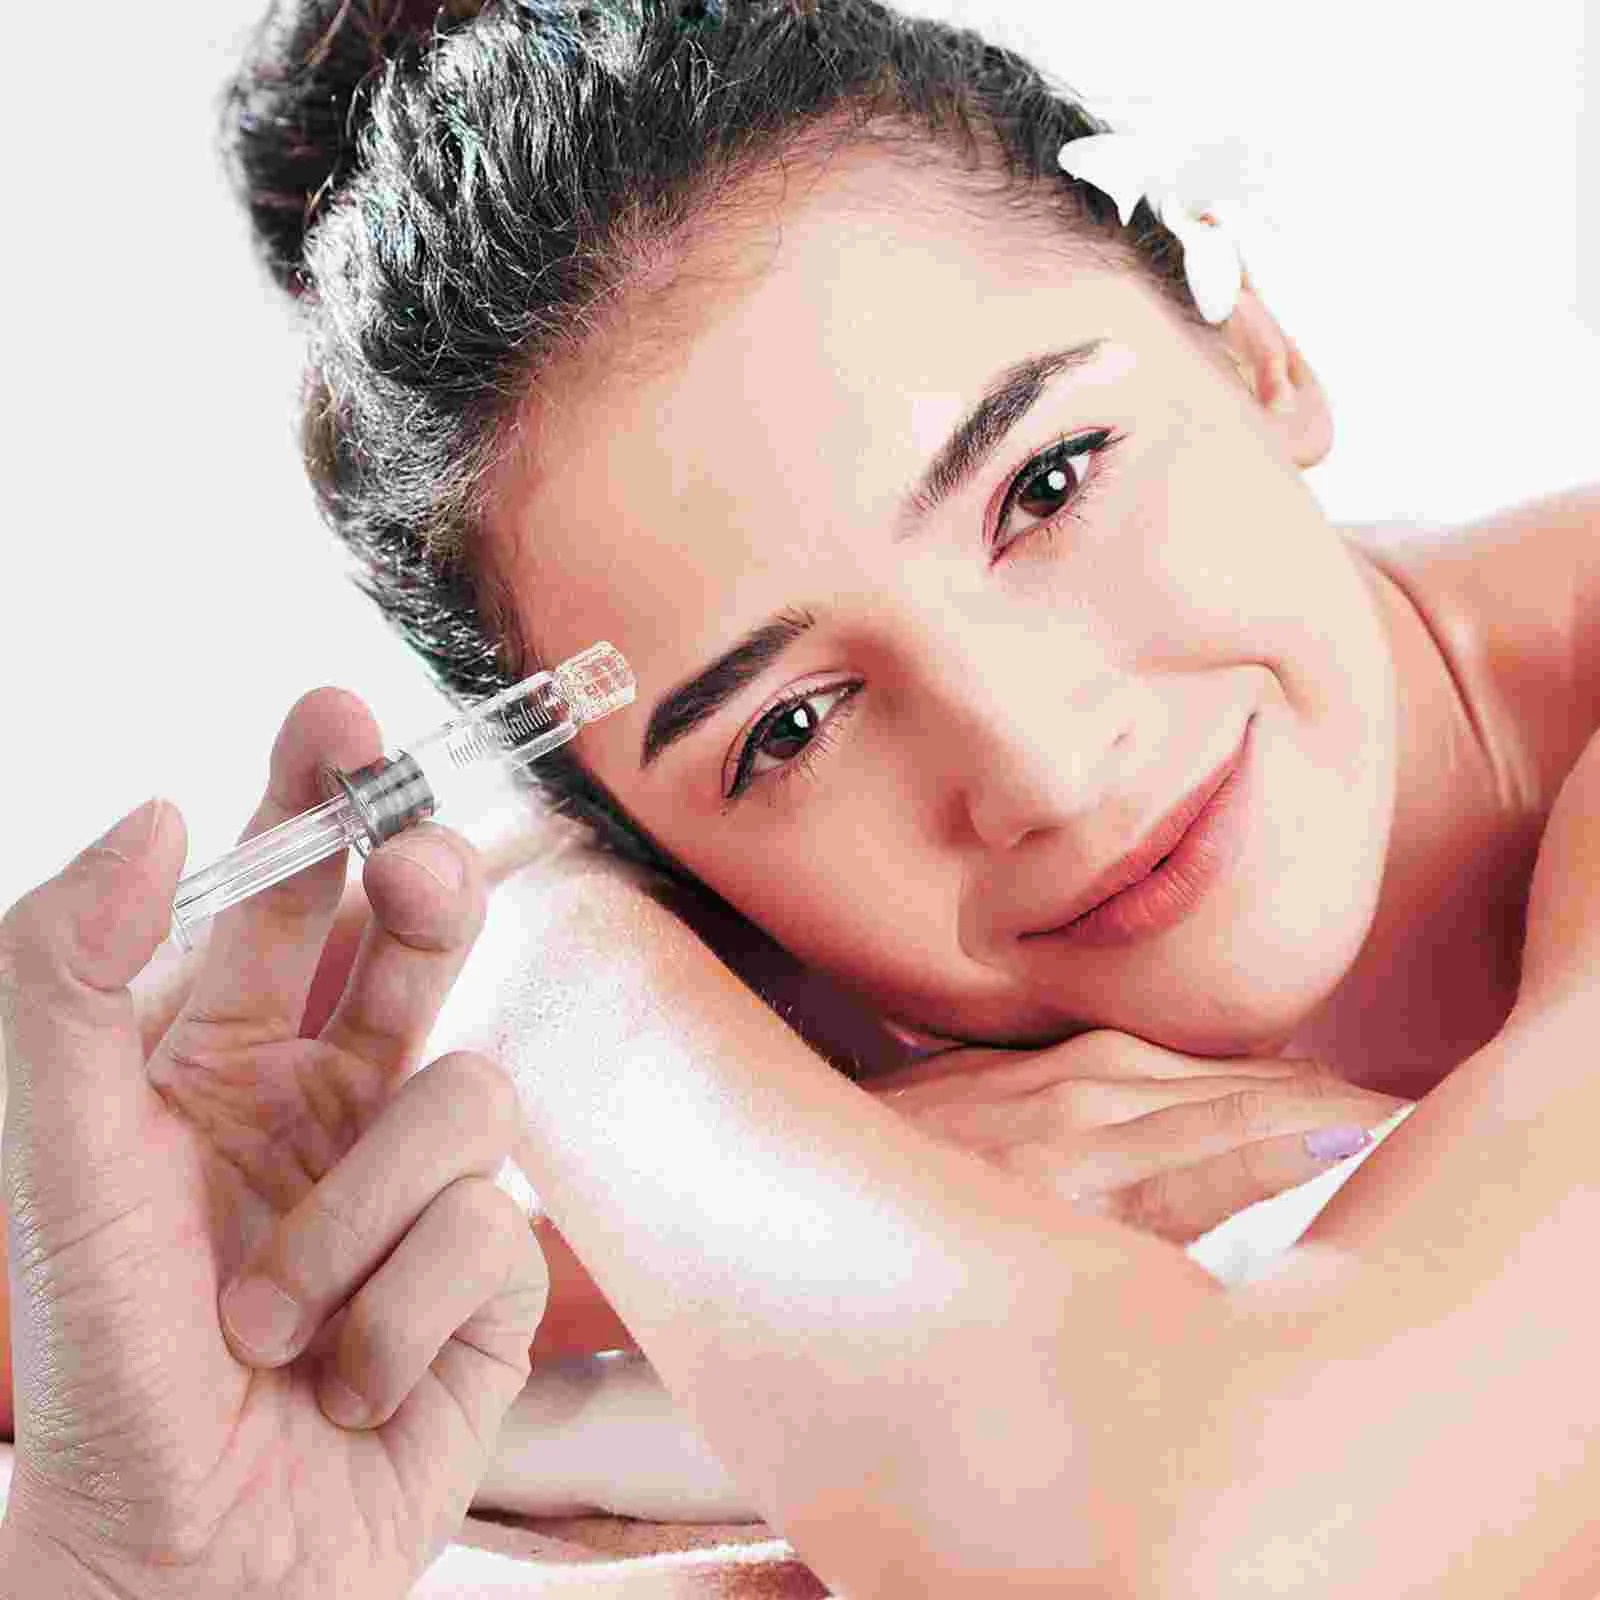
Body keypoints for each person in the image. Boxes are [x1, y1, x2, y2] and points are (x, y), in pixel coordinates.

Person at [3, 0, 1600, 1593]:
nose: (1043, 770)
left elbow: (1215, 1561)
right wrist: (556, 1002)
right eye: (792, 726)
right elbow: (77, 1284)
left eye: (1046, 485)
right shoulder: (709, 949)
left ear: (1254, 348)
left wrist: (560, 1026)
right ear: (631, 839)